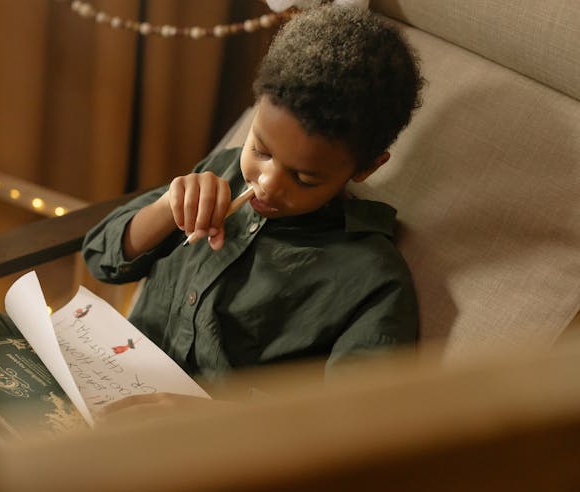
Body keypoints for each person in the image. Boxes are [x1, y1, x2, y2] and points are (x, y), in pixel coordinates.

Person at [81, 3, 424, 390]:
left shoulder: (371, 279)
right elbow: (100, 259)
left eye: (305, 178)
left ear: (366, 168)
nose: (267, 183)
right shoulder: (223, 171)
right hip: (110, 383)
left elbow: (355, 427)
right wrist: (165, 208)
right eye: (260, 149)